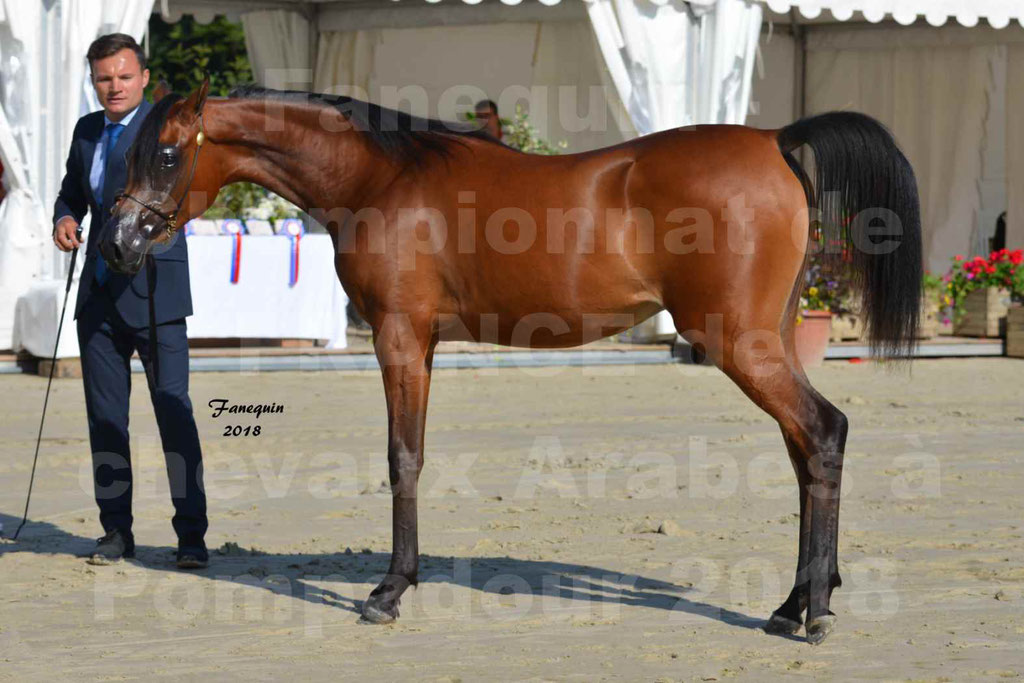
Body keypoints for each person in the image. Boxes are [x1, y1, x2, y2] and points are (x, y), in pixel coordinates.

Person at [52, 33, 208, 568]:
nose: (113, 86)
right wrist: (65, 217)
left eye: (123, 76)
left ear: (144, 78)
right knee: (105, 420)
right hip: (97, 293)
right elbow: (73, 190)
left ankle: (191, 536)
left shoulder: (167, 128)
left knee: (173, 410)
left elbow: (190, 191)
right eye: (103, 78)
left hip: (156, 291)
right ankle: (115, 531)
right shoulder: (86, 130)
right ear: (93, 82)